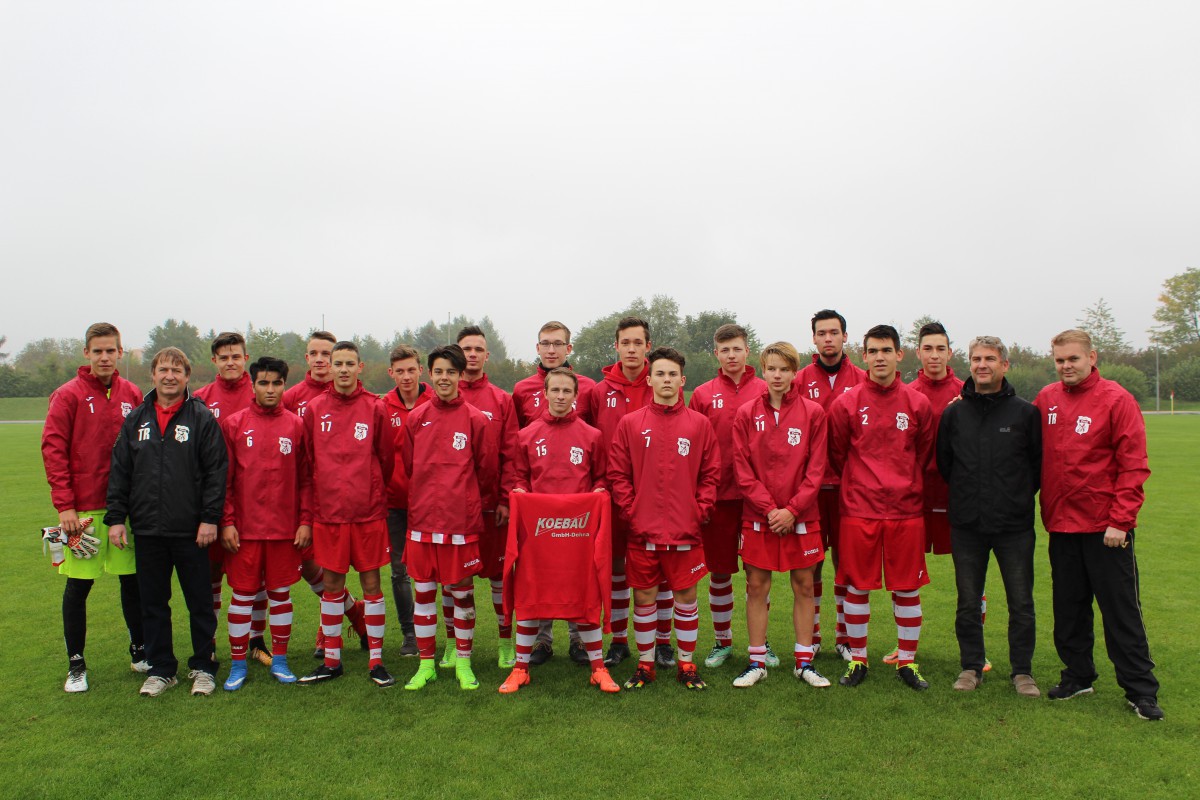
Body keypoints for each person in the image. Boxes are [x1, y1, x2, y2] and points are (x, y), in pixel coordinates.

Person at [1035, 329, 1162, 721]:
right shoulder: (1046, 400)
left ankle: (1140, 690)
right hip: (1061, 525)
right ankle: (1078, 675)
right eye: (1059, 360)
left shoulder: (1116, 399)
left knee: (1120, 611)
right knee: (1069, 609)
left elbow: (1133, 465)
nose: (1066, 366)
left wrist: (1121, 521)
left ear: (1092, 356)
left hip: (1106, 529)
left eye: (1073, 359)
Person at [106, 347, 228, 697]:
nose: (170, 375)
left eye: (177, 370)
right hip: (147, 529)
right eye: (163, 369)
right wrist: (116, 519)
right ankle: (161, 669)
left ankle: (203, 667)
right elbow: (120, 472)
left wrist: (209, 519)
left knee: (200, 602)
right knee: (153, 603)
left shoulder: (201, 418)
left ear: (187, 377)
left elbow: (216, 471)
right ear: (153, 374)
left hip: (191, 530)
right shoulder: (137, 420)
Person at [498, 367, 620, 694]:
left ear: (576, 396)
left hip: (577, 535)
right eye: (556, 390)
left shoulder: (592, 436)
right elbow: (518, 476)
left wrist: (598, 492)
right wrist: (520, 491)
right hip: (538, 536)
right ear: (546, 393)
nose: (561, 396)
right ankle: (520, 669)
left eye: (567, 391)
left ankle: (598, 668)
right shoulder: (526, 435)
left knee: (584, 594)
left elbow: (602, 478)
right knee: (530, 593)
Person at [827, 325, 934, 691]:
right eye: (872, 351)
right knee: (857, 586)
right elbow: (839, 454)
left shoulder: (918, 404)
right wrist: (863, 484)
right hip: (859, 508)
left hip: (906, 510)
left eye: (886, 350)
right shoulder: (847, 403)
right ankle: (858, 660)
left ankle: (907, 662)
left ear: (899, 355)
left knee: (907, 588)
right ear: (864, 355)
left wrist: (903, 484)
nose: (879, 357)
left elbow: (923, 454)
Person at [608, 347, 720, 691]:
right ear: (650, 378)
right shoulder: (630, 424)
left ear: (682, 380)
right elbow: (618, 475)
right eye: (660, 374)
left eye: (673, 374)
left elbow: (710, 475)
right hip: (642, 531)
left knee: (686, 598)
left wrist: (699, 510)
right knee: (643, 599)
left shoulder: (700, 424)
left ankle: (686, 664)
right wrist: (631, 512)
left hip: (686, 530)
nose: (666, 380)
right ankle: (645, 665)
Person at [41, 322, 146, 692]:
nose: (104, 357)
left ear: (120, 353)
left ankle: (139, 651)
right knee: (78, 587)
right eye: (97, 350)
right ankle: (76, 665)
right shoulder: (67, 395)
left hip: (126, 510)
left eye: (110, 350)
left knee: (132, 582)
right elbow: (53, 451)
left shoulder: (133, 393)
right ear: (86, 352)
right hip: (83, 512)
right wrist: (65, 506)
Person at [937, 336, 1041, 697]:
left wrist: (1011, 499)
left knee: (1021, 602)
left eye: (990, 359)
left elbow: (1037, 469)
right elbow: (945, 465)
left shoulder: (1026, 413)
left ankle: (1022, 672)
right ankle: (971, 666)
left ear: (1005, 365)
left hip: (1014, 527)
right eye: (976, 358)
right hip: (967, 526)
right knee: (967, 601)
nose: (982, 365)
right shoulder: (954, 413)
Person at [730, 342, 831, 688]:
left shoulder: (813, 413)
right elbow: (742, 470)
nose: (777, 375)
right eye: (771, 368)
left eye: (784, 369)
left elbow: (816, 469)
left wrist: (791, 510)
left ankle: (804, 662)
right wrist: (771, 509)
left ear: (793, 372)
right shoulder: (745, 414)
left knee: (804, 585)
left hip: (801, 516)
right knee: (757, 585)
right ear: (762, 369)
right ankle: (756, 661)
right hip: (760, 515)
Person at [881, 322, 979, 668]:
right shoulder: (905, 394)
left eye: (941, 349)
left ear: (950, 353)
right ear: (917, 353)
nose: (934, 355)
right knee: (904, 577)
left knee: (970, 578)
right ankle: (904, 647)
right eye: (928, 349)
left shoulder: (969, 393)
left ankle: (974, 652)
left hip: (958, 499)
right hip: (915, 500)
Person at [298, 341, 395, 687]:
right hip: (329, 514)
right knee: (332, 585)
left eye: (348, 363)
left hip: (367, 513)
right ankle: (332, 661)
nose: (341, 369)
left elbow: (385, 458)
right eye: (336, 363)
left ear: (360, 367)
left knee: (372, 584)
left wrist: (367, 489)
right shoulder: (313, 409)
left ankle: (376, 662)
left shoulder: (375, 408)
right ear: (326, 367)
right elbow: (308, 462)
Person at [401, 344, 494, 691]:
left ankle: (464, 663)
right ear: (430, 374)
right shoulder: (416, 418)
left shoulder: (475, 419)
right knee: (423, 593)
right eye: (438, 371)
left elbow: (485, 471)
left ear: (460, 376)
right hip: (422, 521)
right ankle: (426, 664)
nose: (444, 378)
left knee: (462, 594)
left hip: (460, 523)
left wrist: (465, 501)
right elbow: (409, 467)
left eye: (451, 372)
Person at [584, 316, 673, 668]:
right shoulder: (597, 392)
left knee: (663, 570)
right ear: (617, 346)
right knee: (618, 569)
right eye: (626, 342)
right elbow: (587, 439)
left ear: (648, 346)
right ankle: (619, 640)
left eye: (639, 342)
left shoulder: (661, 381)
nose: (632, 348)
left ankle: (663, 642)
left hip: (660, 497)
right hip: (612, 495)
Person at [218, 356, 313, 690]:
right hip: (244, 531)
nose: (270, 389)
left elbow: (305, 480)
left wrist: (304, 522)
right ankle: (237, 663)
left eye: (277, 383)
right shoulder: (233, 424)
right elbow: (224, 481)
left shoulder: (296, 425)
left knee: (281, 595)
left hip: (285, 530)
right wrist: (227, 522)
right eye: (263, 383)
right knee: (242, 597)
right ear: (253, 384)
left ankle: (282, 659)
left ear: (284, 385)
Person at [282, 330, 367, 659]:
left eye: (325, 354)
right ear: (307, 358)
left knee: (326, 567)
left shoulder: (354, 397)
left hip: (337, 501)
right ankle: (354, 612)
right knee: (307, 568)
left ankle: (325, 635)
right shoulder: (292, 397)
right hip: (299, 497)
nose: (320, 359)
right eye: (314, 353)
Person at [688, 323, 767, 668]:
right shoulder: (703, 394)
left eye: (737, 348)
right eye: (725, 350)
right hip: (717, 497)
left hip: (757, 498)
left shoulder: (766, 388)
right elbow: (694, 447)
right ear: (716, 354)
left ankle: (761, 644)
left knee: (758, 573)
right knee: (719, 573)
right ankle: (722, 642)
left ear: (747, 351)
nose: (732, 355)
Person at [194, 331, 272, 667]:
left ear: (245, 358)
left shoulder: (258, 392)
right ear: (214, 361)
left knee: (258, 578)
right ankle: (209, 643)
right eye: (224, 357)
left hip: (255, 504)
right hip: (210, 503)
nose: (230, 362)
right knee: (210, 574)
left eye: (236, 356)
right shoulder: (199, 398)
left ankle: (256, 640)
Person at [793, 309, 865, 662]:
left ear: (845, 337)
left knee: (845, 562)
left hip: (850, 488)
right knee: (812, 564)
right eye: (822, 333)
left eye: (834, 332)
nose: (828, 339)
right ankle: (815, 633)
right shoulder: (800, 378)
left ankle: (845, 636)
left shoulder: (862, 379)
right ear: (814, 339)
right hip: (810, 490)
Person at [455, 326, 520, 669]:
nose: (472, 354)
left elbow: (511, 454)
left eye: (479, 349)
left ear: (487, 355)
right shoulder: (443, 397)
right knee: (455, 580)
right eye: (466, 348)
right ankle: (454, 644)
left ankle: (505, 643)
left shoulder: (501, 399)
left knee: (499, 577)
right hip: (454, 510)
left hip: (491, 507)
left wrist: (506, 500)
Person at [381, 344, 431, 657]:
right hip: (394, 503)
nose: (406, 376)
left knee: (432, 572)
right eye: (400, 371)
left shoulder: (436, 401)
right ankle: (410, 634)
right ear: (391, 373)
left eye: (411, 369)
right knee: (400, 570)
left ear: (420, 370)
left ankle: (446, 636)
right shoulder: (382, 406)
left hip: (429, 503)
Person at [513, 320, 596, 428]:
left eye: (557, 344)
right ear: (538, 348)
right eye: (545, 344)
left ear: (568, 348)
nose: (551, 350)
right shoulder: (522, 389)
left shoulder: (589, 387)